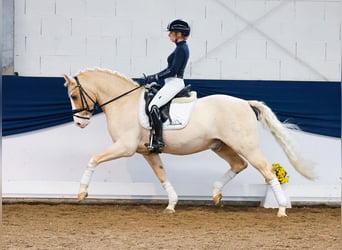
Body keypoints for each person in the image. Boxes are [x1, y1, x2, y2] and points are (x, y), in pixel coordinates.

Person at [143, 19, 190, 152]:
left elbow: (172, 71)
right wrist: (156, 77)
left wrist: (155, 77)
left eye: (171, 33)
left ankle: (158, 141)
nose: (169, 35)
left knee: (153, 106)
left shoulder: (182, 48)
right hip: (170, 82)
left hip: (175, 82)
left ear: (179, 34)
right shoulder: (179, 48)